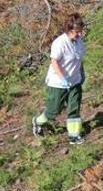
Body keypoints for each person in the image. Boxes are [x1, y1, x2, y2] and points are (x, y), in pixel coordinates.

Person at [32, 13, 87, 144]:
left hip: (74, 82)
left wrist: (82, 74)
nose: (79, 35)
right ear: (69, 30)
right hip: (58, 83)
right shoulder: (59, 43)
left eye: (80, 32)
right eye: (76, 32)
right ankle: (37, 122)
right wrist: (63, 79)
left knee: (74, 109)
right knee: (53, 111)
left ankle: (74, 135)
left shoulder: (79, 42)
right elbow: (54, 62)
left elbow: (79, 60)